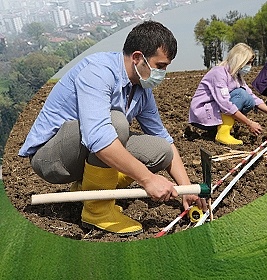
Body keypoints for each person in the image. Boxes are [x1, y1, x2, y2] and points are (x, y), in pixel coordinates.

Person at [18, 21, 207, 236]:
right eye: (160, 66)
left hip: (82, 150)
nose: (163, 73)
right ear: (137, 57)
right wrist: (148, 179)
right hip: (51, 158)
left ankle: (90, 190)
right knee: (116, 123)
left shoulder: (142, 89)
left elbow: (163, 137)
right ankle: (97, 211)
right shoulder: (98, 72)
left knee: (160, 150)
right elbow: (99, 138)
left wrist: (185, 189)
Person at [189, 43, 267, 146]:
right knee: (240, 95)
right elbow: (225, 104)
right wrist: (249, 123)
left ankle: (218, 129)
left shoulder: (236, 76)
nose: (249, 67)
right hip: (203, 113)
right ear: (239, 60)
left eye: (251, 63)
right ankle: (223, 133)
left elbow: (252, 97)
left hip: (215, 110)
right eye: (248, 63)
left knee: (248, 100)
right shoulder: (219, 73)